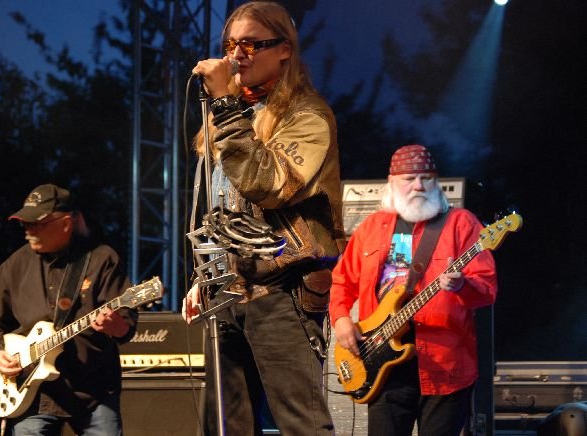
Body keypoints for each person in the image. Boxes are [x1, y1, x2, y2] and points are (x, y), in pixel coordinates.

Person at [183, 1, 346, 434]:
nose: (237, 54)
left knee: (301, 422)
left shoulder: (307, 116)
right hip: (227, 289)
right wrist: (205, 275)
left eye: (252, 44)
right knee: (226, 425)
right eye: (230, 44)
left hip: (282, 286)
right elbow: (223, 209)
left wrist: (224, 105)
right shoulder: (232, 116)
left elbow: (268, 186)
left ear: (285, 49)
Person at [329, 144, 498, 436]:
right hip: (381, 362)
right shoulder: (372, 227)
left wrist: (462, 284)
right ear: (392, 182)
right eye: (409, 178)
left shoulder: (461, 224)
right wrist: (341, 319)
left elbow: (487, 288)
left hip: (444, 363)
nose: (418, 185)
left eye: (426, 178)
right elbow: (342, 280)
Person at [0, 183, 138, 435]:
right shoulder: (16, 265)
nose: (28, 230)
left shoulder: (101, 259)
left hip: (92, 390)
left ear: (66, 223)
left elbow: (125, 326)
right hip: (33, 392)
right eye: (25, 224)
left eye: (37, 224)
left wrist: (115, 326)